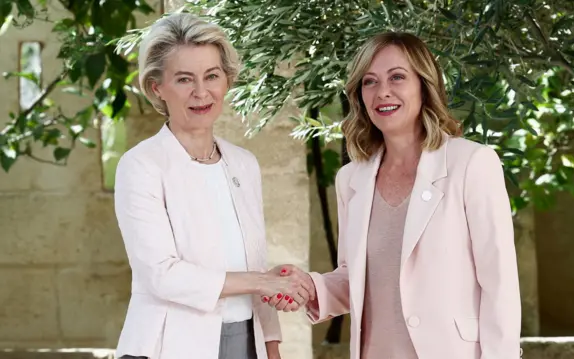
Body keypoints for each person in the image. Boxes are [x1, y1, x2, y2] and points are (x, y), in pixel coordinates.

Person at [269, 32, 522, 359]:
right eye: (369, 82)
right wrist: (308, 287)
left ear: (424, 85)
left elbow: (499, 285)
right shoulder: (351, 179)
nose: (382, 92)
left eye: (397, 77)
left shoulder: (471, 163)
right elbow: (356, 278)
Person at [113, 13, 312, 359]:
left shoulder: (244, 164)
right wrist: (262, 281)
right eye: (184, 79)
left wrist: (272, 346)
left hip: (247, 342)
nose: (201, 92)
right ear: (157, 87)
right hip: (170, 344)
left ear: (227, 81)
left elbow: (256, 262)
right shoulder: (140, 166)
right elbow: (161, 274)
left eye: (212, 76)